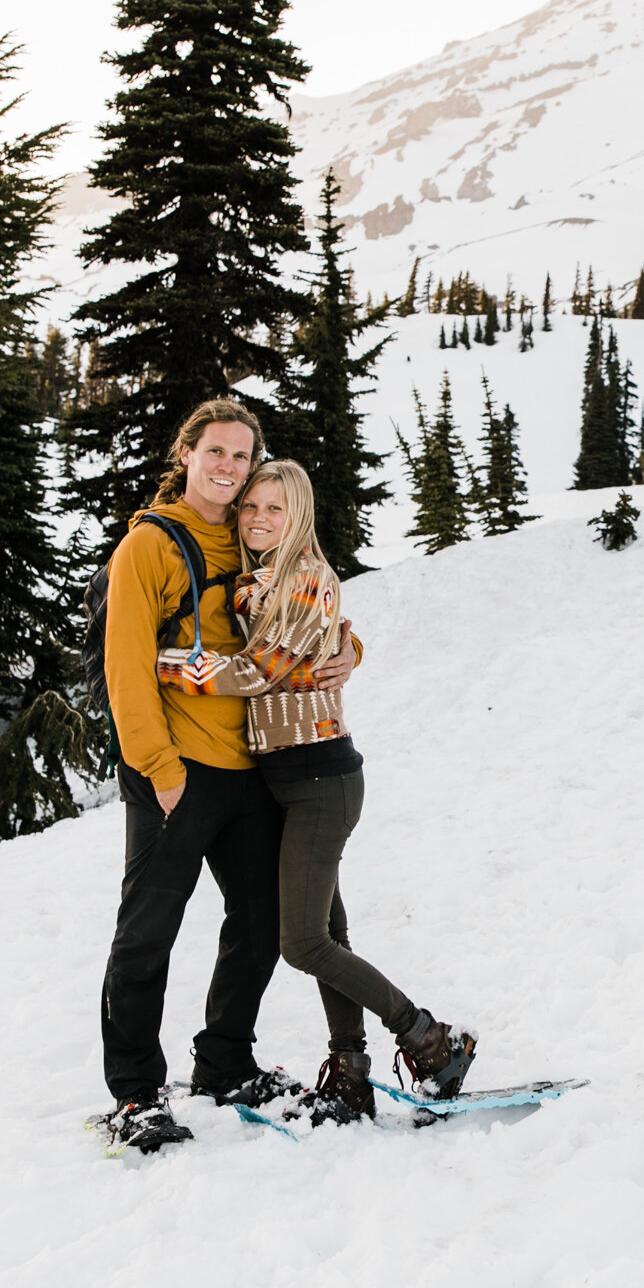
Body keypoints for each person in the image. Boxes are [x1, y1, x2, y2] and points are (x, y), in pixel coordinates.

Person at [90, 399, 357, 1155]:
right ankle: (136, 1091)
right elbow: (128, 666)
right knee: (148, 935)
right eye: (216, 452)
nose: (229, 468)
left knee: (261, 923)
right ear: (188, 452)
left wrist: (351, 647)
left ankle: (225, 1062)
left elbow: (302, 605)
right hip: (176, 770)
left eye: (242, 457)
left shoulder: (251, 532)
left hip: (249, 769)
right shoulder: (149, 546)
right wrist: (159, 769)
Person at [218, 458, 477, 1124]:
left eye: (274, 509)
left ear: (299, 514)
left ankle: (428, 1036)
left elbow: (258, 671)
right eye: (250, 508)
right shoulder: (257, 580)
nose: (257, 519)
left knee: (302, 942)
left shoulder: (303, 578)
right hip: (289, 780)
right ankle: (351, 1073)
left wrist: (166, 668)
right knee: (328, 932)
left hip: (320, 780)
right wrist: (350, 647)